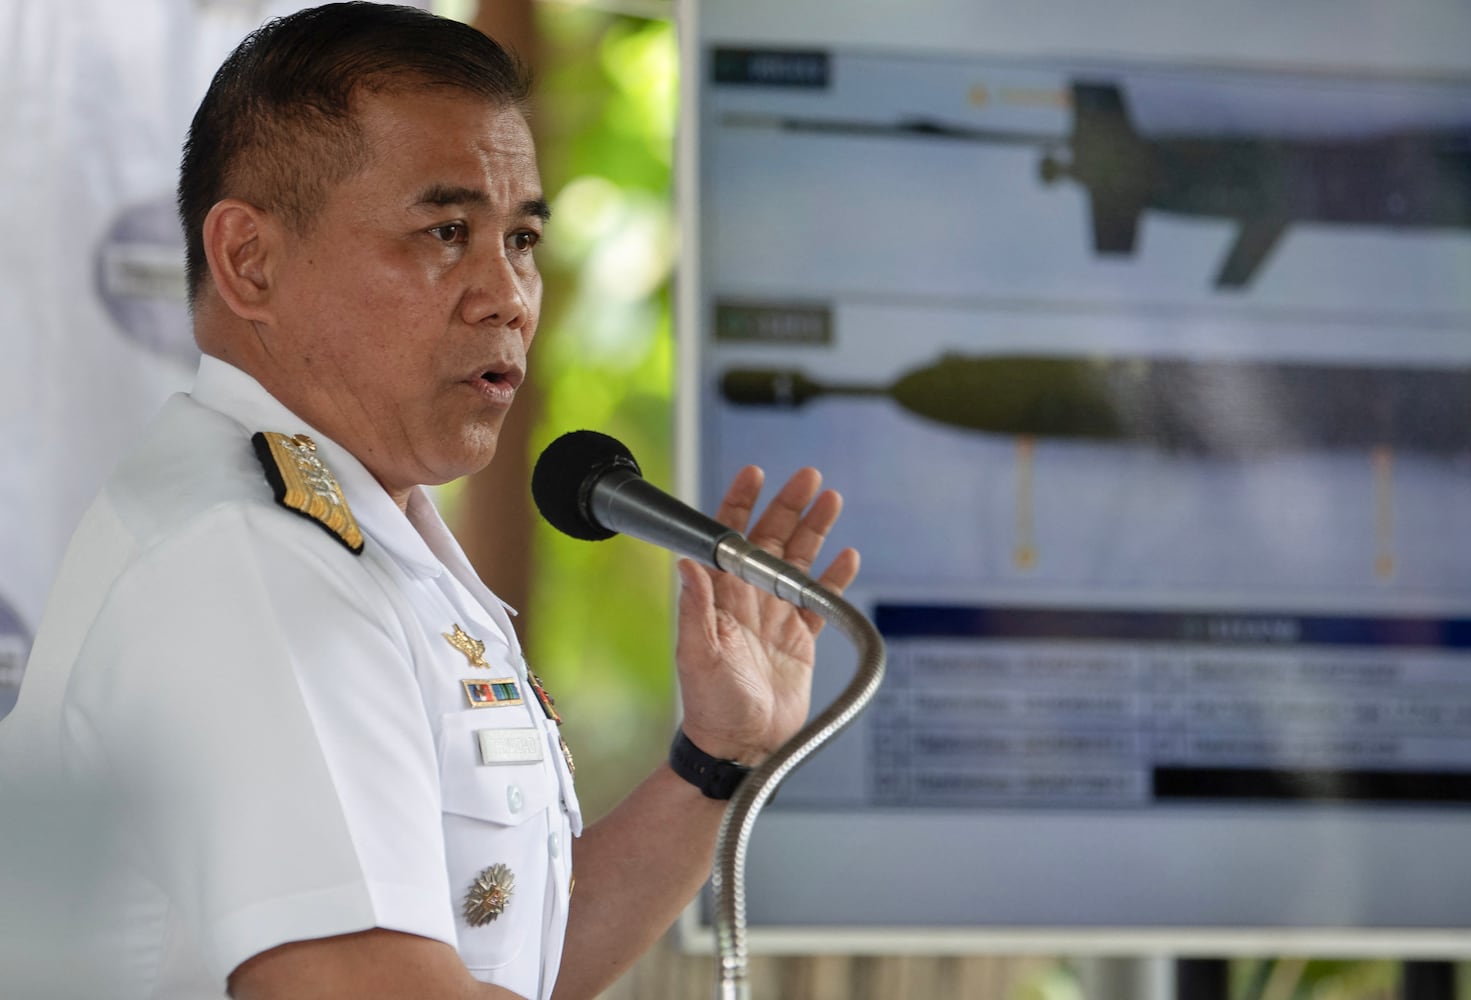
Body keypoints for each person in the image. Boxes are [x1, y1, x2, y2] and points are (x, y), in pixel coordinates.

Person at [0, 4, 858, 999]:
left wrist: (718, 759)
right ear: (249, 261)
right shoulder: (248, 559)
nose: (508, 293)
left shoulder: (363, 534)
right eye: (445, 231)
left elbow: (509, 950)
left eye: (524, 237)